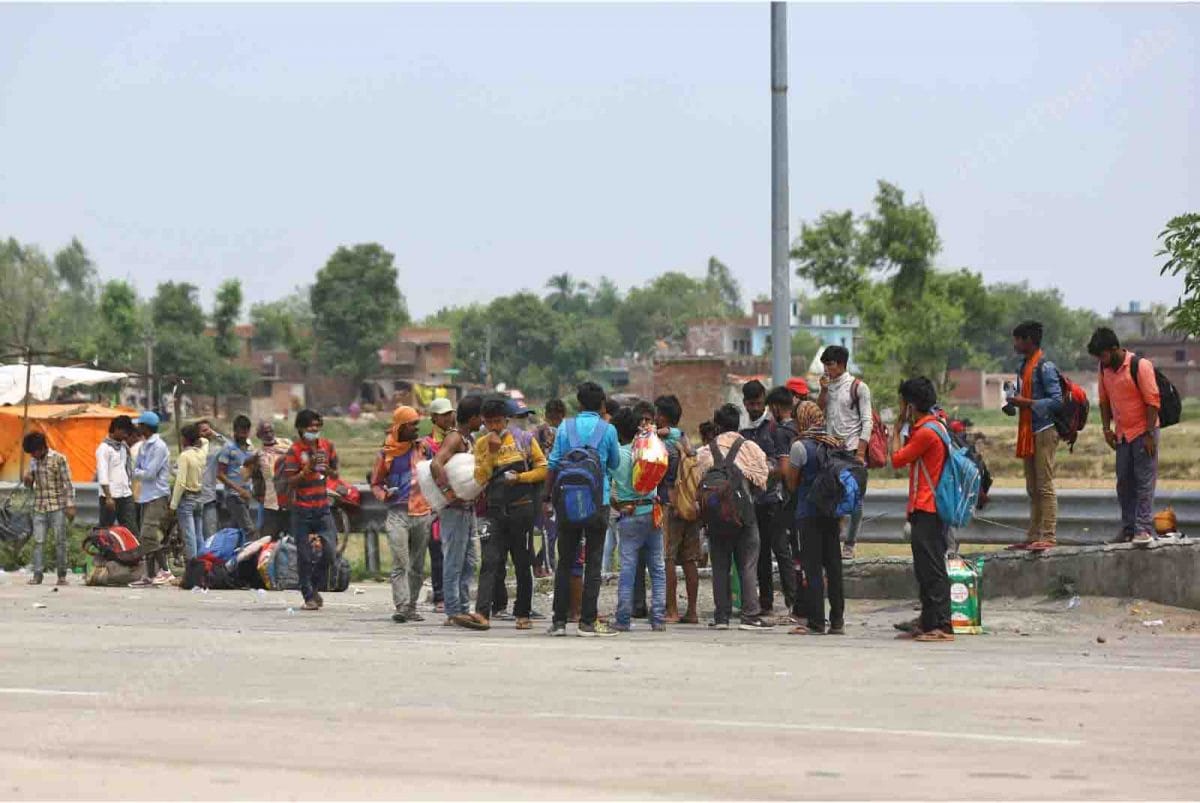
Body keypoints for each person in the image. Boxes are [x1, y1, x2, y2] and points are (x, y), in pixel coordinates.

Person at [543, 381, 621, 637]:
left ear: (578, 403)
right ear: (602, 405)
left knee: (565, 561)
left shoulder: (565, 427)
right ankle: (587, 622)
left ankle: (559, 621)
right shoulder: (607, 429)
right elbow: (614, 463)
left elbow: (553, 463)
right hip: (599, 502)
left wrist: (546, 498)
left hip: (567, 502)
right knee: (594, 562)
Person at [694, 403, 773, 631]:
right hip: (744, 515)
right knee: (747, 565)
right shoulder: (750, 448)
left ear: (717, 424)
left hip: (716, 518)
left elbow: (696, 482)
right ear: (738, 424)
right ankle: (750, 615)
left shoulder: (706, 451)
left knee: (720, 566)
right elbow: (762, 480)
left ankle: (721, 617)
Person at [470, 397, 547, 630]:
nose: (494, 426)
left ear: (506, 419)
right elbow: (480, 478)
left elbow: (543, 469)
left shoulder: (524, 439)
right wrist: (492, 454)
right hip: (493, 511)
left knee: (522, 562)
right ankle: (482, 612)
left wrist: (520, 478)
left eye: (498, 422)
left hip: (521, 509)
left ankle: (523, 613)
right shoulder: (481, 444)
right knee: (490, 561)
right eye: (489, 422)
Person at [889, 378, 954, 642]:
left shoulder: (928, 432)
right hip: (923, 506)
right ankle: (928, 622)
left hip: (929, 508)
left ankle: (942, 625)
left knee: (933, 568)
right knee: (924, 569)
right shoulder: (931, 426)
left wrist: (895, 430)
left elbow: (896, 459)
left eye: (902, 402)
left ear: (910, 404)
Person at [1088, 327, 1162, 545]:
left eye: (1103, 355)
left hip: (1144, 432)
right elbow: (1103, 400)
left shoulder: (1140, 366)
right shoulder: (1104, 369)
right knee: (1124, 483)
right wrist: (1106, 428)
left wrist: (1149, 434)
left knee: (1144, 482)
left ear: (1114, 349)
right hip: (1122, 435)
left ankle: (1143, 529)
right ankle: (1128, 528)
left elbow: (1152, 402)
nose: (1102, 360)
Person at [740, 380, 800, 620]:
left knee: (781, 551)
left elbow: (782, 465)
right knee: (760, 554)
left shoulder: (775, 429)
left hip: (774, 499)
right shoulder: (744, 431)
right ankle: (766, 602)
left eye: (758, 403)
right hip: (753, 502)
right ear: (744, 403)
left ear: (764, 400)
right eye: (750, 404)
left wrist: (761, 472)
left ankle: (792, 601)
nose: (754, 408)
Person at [785, 402, 846, 635]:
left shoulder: (800, 446)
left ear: (802, 419)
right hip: (832, 513)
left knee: (812, 568)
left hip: (807, 514)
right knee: (834, 566)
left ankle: (816, 622)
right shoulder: (835, 443)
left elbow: (791, 482)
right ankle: (838, 621)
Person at [371, 406, 433, 624]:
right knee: (400, 562)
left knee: (417, 565)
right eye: (412, 425)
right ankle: (402, 606)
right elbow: (376, 484)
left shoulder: (423, 449)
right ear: (400, 427)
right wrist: (384, 494)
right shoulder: (386, 454)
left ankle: (412, 606)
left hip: (422, 512)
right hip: (397, 513)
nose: (416, 428)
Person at [1004, 320, 1063, 550]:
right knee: (1033, 487)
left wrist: (1026, 403)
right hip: (1028, 431)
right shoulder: (1023, 367)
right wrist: (1011, 404)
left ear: (1028, 340)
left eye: (1018, 339)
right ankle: (1033, 535)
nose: (1015, 344)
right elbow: (1019, 398)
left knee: (1045, 485)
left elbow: (1057, 402)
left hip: (1044, 430)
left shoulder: (1045, 367)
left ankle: (1048, 536)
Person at [608, 407, 667, 632]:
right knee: (657, 567)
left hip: (629, 515)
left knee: (628, 569)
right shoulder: (647, 450)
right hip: (652, 512)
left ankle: (623, 619)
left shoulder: (617, 456)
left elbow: (609, 487)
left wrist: (617, 504)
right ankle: (659, 619)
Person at [429, 395, 486, 629]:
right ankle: (453, 610)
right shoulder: (454, 439)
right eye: (480, 417)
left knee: (469, 561)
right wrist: (448, 492)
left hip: (467, 509)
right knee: (454, 560)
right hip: (455, 510)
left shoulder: (467, 438)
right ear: (472, 417)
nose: (482, 421)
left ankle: (463, 607)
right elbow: (436, 464)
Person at [817, 345, 874, 559]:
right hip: (831, 449)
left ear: (841, 364)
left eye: (829, 365)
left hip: (851, 450)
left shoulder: (858, 387)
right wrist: (823, 390)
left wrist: (861, 452)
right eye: (825, 365)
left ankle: (850, 542)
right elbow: (819, 410)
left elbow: (867, 421)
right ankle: (833, 539)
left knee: (855, 497)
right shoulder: (828, 386)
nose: (826, 370)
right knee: (832, 495)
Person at [281, 409, 340, 612]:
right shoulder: (294, 451)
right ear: (300, 428)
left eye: (317, 426)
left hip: (322, 508)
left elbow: (335, 471)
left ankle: (314, 586)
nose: (314, 430)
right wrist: (308, 469)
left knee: (330, 552)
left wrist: (327, 470)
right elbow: (291, 481)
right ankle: (308, 594)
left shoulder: (327, 446)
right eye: (310, 426)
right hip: (302, 510)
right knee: (304, 556)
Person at [655, 394, 700, 625]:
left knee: (669, 558)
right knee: (690, 559)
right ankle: (692, 611)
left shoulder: (664, 445)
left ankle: (671, 610)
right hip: (690, 505)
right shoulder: (686, 441)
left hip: (670, 505)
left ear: (662, 417)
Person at [21, 432, 76, 586]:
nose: (32, 455)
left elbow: (67, 483)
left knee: (60, 541)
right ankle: (37, 575)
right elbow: (29, 485)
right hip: (39, 506)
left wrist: (70, 504)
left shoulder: (59, 459)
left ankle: (62, 576)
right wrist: (27, 480)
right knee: (38, 542)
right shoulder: (33, 461)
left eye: (34, 451)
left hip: (57, 506)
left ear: (42, 448)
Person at [131, 411, 173, 586]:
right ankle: (149, 575)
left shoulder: (159, 446)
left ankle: (165, 570)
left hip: (157, 495)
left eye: (140, 425)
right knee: (146, 537)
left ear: (146, 427)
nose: (137, 428)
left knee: (147, 534)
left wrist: (138, 472)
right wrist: (139, 471)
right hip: (145, 495)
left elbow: (148, 473)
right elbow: (139, 469)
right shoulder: (143, 446)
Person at [424, 397, 456, 612]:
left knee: (455, 551)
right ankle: (440, 596)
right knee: (437, 551)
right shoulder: (426, 445)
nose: (448, 418)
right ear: (434, 418)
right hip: (434, 504)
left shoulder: (456, 440)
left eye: (450, 413)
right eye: (443, 415)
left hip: (455, 500)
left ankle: (453, 594)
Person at [533, 398, 566, 577]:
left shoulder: (537, 432)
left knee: (539, 530)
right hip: (557, 486)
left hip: (541, 486)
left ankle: (541, 566)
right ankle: (550, 565)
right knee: (552, 530)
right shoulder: (566, 431)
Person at [247, 421, 292, 539]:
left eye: (270, 431)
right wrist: (259, 496)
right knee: (268, 536)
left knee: (291, 534)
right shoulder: (258, 454)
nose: (269, 434)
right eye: (265, 432)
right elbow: (255, 477)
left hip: (290, 497)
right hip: (270, 500)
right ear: (259, 436)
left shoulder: (286, 444)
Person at [170, 423, 208, 560]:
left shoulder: (185, 456)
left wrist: (173, 504)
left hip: (187, 499)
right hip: (199, 497)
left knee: (189, 536)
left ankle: (192, 569)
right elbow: (205, 441)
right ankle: (202, 565)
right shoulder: (201, 453)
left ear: (185, 439)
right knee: (199, 535)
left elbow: (180, 483)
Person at [217, 415, 257, 536]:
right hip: (234, 496)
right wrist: (239, 490)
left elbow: (250, 470)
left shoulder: (250, 449)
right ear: (235, 431)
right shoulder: (228, 448)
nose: (242, 434)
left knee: (235, 530)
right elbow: (220, 474)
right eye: (240, 431)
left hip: (247, 494)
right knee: (249, 529)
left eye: (245, 431)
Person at [96, 415, 136, 530]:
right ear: (117, 429)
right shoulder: (104, 449)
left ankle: (131, 549)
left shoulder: (123, 447)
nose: (126, 435)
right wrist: (108, 497)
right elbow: (102, 474)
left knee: (131, 529)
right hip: (110, 496)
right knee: (106, 531)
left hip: (125, 494)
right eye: (125, 432)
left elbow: (125, 470)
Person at [196, 420, 227, 540]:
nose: (206, 433)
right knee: (196, 537)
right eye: (202, 431)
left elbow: (228, 446)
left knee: (211, 536)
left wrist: (215, 434)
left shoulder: (213, 452)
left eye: (207, 430)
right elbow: (175, 469)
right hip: (193, 501)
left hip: (208, 499)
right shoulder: (190, 451)